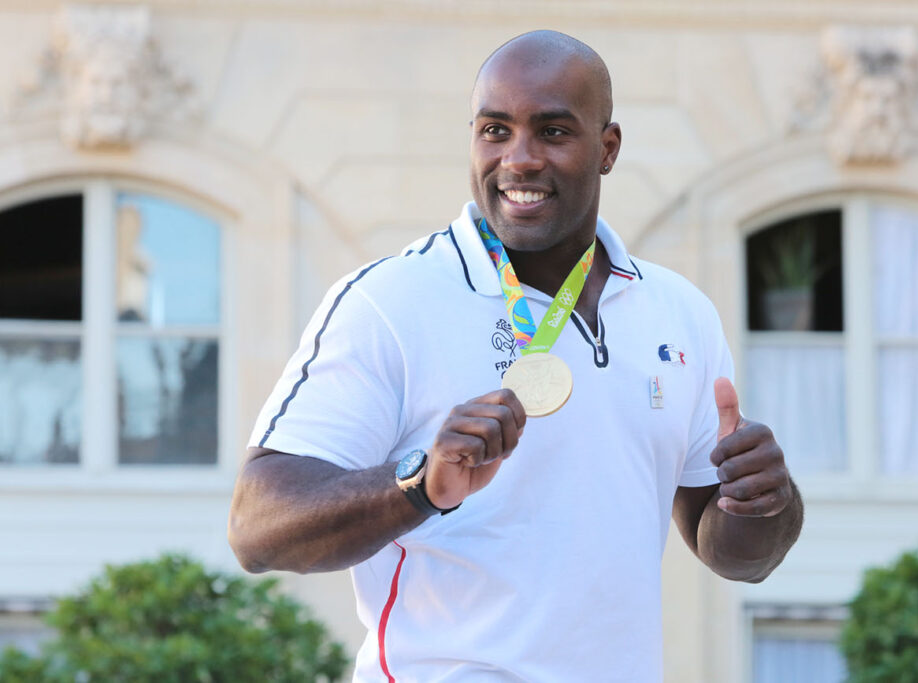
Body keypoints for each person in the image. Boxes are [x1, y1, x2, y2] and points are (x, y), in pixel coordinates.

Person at [229, 29, 803, 682]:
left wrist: (764, 504)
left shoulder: (681, 312)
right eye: (495, 131)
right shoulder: (390, 301)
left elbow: (731, 553)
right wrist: (417, 485)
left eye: (553, 132)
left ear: (607, 148)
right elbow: (257, 524)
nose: (519, 158)